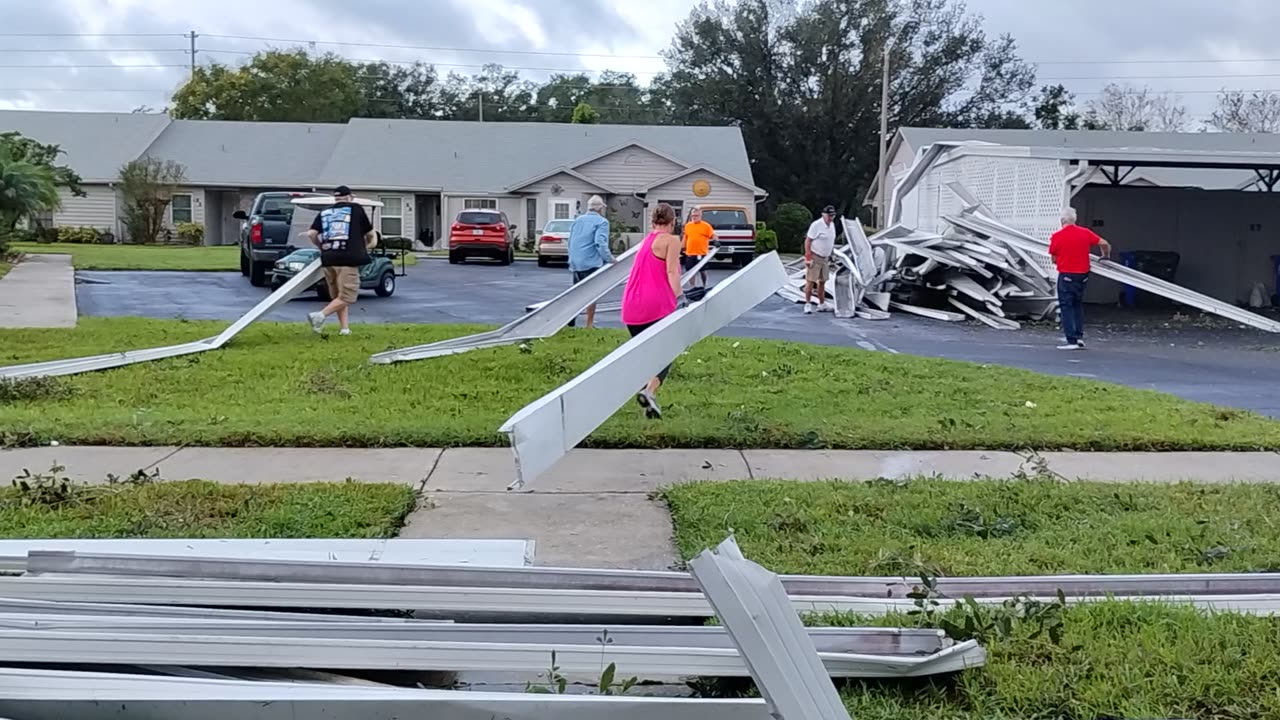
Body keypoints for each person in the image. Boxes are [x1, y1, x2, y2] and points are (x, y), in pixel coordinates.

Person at [620, 202, 683, 420]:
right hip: (654, 305)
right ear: (673, 222)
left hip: (631, 306)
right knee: (668, 351)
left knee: (648, 353)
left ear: (653, 221)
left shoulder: (646, 241)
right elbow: (672, 272)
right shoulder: (672, 241)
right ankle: (649, 391)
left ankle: (647, 394)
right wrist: (681, 297)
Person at [306, 186, 377, 336]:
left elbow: (312, 234)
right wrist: (368, 246)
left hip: (328, 259)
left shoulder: (325, 212)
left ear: (336, 198)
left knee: (338, 296)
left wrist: (322, 247)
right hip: (348, 259)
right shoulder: (356, 209)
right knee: (347, 296)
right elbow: (370, 234)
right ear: (351, 197)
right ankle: (320, 316)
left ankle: (344, 329)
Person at [1048, 207, 1112, 350]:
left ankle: (1071, 340)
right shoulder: (1085, 233)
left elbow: (1053, 258)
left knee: (1066, 307)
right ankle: (1078, 336)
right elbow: (1104, 243)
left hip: (1066, 275)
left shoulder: (1058, 236)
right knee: (1077, 305)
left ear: (1062, 220)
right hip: (1082, 275)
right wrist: (1105, 256)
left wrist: (1061, 259)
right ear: (1074, 219)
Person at [566, 195, 613, 329]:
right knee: (591, 294)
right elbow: (600, 243)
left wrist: (571, 258)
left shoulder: (577, 220)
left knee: (576, 293)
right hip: (590, 262)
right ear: (600, 208)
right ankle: (589, 324)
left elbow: (570, 241)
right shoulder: (602, 222)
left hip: (575, 262)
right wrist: (610, 259)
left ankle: (570, 321)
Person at [803, 205, 838, 314]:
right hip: (815, 256)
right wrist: (808, 257)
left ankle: (821, 304)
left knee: (822, 281)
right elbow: (808, 241)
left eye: (832, 216)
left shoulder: (832, 225)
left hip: (825, 258)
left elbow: (830, 241)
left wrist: (831, 255)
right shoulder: (817, 225)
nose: (831, 218)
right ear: (823, 214)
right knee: (810, 281)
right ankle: (807, 304)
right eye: (829, 215)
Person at [681, 207, 716, 290]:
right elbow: (685, 237)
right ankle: (692, 287)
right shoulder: (688, 226)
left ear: (700, 216)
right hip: (690, 253)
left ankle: (704, 285)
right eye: (693, 216)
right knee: (690, 272)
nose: (694, 217)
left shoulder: (706, 226)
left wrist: (716, 241)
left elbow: (713, 235)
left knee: (702, 271)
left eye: (696, 215)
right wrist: (682, 247)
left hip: (701, 253)